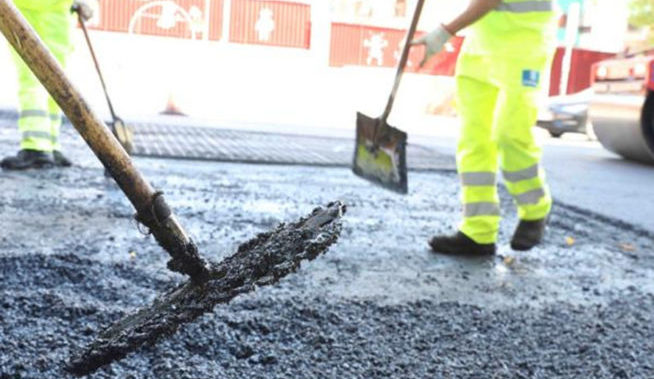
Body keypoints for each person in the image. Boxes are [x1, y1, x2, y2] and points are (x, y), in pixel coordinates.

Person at [412, 0, 557, 255]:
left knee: (510, 134)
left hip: (525, 45)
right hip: (480, 47)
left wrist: (445, 30)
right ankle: (478, 231)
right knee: (474, 142)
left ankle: (536, 209)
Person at [1, 0, 93, 170]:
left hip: (26, 10)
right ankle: (50, 143)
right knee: (56, 79)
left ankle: (36, 147)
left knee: (31, 77)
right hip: (58, 13)